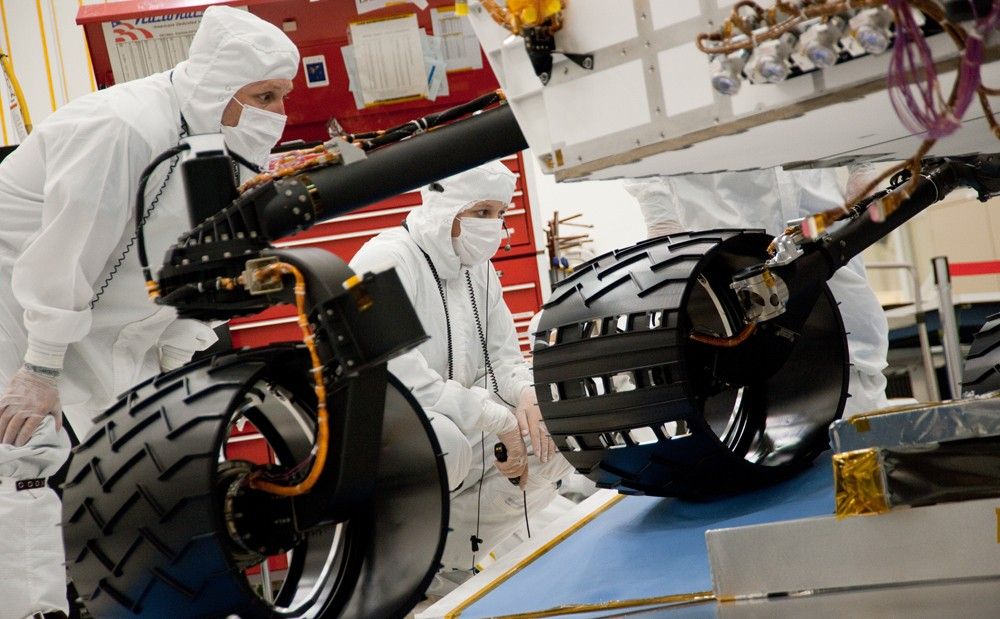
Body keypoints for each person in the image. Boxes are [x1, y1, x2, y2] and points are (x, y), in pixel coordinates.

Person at [0, 6, 299, 616]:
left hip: (99, 308)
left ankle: (133, 601)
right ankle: (36, 610)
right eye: (263, 95)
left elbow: (196, 267)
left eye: (282, 96)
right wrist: (40, 370)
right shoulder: (123, 128)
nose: (278, 113)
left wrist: (178, 351)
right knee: (24, 455)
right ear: (220, 88)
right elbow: (64, 255)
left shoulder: (217, 140)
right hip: (17, 295)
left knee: (135, 456)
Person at [350, 161, 575, 595]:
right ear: (444, 205)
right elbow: (399, 372)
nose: (493, 227)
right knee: (448, 443)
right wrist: (498, 420)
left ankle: (452, 562)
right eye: (482, 212)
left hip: (455, 416)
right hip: (382, 422)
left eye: (500, 214)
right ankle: (405, 567)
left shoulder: (477, 268)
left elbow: (503, 356)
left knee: (553, 434)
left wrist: (527, 396)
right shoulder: (386, 259)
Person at [623, 166, 889, 418]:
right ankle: (773, 451)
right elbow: (637, 128)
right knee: (747, 368)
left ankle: (861, 453)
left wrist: (863, 166)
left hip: (823, 222)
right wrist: (659, 212)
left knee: (859, 341)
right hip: (729, 229)